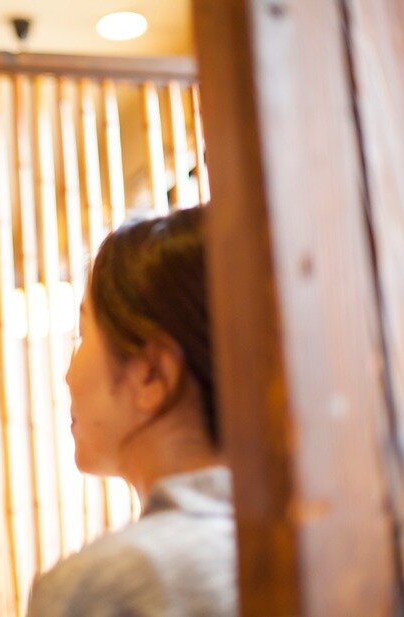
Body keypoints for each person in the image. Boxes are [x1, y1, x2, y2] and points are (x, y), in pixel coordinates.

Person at [28, 206, 237, 616]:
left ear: (151, 376)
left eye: (82, 335)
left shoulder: (103, 586)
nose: (68, 375)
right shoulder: (329, 542)